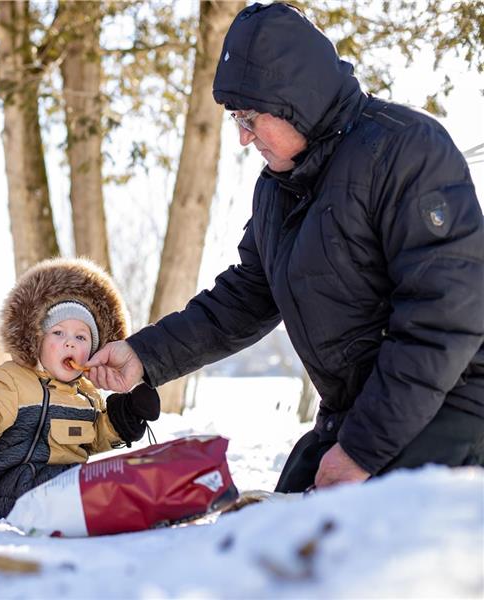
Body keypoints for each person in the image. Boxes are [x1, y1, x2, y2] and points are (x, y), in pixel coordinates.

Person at [87, 2, 484, 493]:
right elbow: (243, 299)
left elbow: (444, 318)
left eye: (249, 118)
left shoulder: (407, 151)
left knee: (342, 540)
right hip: (355, 416)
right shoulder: (278, 188)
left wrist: (362, 450)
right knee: (268, 530)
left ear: (296, 101)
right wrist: (144, 356)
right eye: (235, 118)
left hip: (451, 408)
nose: (242, 137)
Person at [0, 258, 160, 519]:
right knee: (78, 490)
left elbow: (95, 437)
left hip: (66, 489)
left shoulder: (87, 395)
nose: (70, 343)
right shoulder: (13, 380)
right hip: (12, 492)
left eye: (81, 337)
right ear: (37, 340)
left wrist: (124, 417)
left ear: (93, 351)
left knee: (108, 480)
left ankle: (143, 502)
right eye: (58, 333)